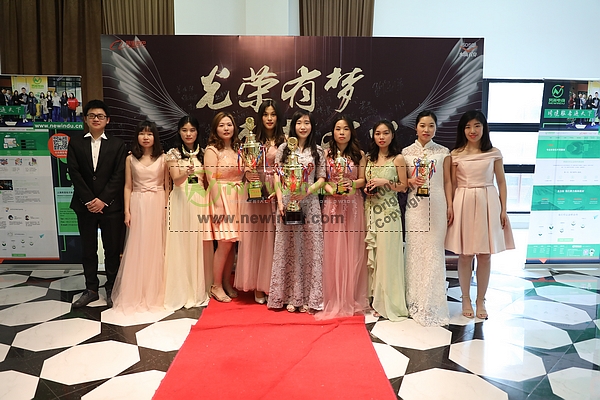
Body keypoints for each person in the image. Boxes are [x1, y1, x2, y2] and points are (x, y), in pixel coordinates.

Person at [445, 110, 515, 319]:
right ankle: (466, 298)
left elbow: (501, 182)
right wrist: (450, 206)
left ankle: (481, 300)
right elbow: (452, 184)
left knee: (485, 254)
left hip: (488, 201)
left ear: (484, 128)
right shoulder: (455, 154)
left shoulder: (494, 152)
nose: (472, 130)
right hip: (463, 201)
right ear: (462, 130)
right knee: (465, 254)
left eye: (477, 125)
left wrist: (503, 209)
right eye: (468, 126)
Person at [67, 99, 126, 308]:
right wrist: (89, 200)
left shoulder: (118, 145)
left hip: (110, 207)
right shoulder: (75, 143)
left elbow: (119, 175)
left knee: (112, 250)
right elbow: (74, 173)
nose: (96, 119)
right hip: (84, 206)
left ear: (107, 120)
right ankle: (91, 288)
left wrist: (103, 200)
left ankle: (112, 288)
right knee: (88, 249)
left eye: (100, 116)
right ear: (85, 119)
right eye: (92, 116)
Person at [267, 110, 326, 313]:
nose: (303, 126)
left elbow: (321, 178)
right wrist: (280, 202)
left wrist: (307, 191)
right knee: (288, 247)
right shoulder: (283, 149)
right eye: (299, 122)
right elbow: (277, 175)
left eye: (307, 122)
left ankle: (309, 297)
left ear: (312, 126)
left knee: (310, 248)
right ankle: (289, 296)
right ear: (293, 126)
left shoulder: (318, 150)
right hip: (287, 201)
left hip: (309, 203)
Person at [111, 121, 168, 314]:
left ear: (155, 137)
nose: (145, 137)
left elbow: (167, 185)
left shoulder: (163, 158)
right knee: (138, 246)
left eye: (149, 134)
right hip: (138, 203)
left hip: (158, 201)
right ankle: (137, 291)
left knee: (157, 246)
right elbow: (128, 186)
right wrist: (127, 211)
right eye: (142, 133)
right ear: (137, 136)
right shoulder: (130, 159)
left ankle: (157, 290)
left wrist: (166, 208)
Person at [315, 115, 368, 320]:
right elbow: (322, 180)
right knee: (333, 249)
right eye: (338, 129)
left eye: (345, 129)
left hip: (353, 203)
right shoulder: (325, 154)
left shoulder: (359, 155)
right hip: (332, 203)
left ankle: (350, 295)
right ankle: (332, 295)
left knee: (352, 250)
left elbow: (363, 180)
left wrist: (351, 184)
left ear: (351, 132)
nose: (342, 132)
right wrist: (332, 190)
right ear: (333, 132)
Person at [402, 110, 450, 326]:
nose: (426, 130)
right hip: (415, 208)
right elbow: (402, 183)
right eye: (422, 125)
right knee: (415, 252)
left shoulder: (443, 152)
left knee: (433, 252)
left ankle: (432, 301)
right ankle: (414, 300)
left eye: (431, 126)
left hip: (437, 206)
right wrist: (410, 182)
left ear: (436, 128)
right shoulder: (406, 153)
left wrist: (450, 206)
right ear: (416, 128)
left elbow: (448, 181)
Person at [235, 100, 285, 304]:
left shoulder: (284, 140)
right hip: (255, 189)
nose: (269, 118)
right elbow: (242, 166)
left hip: (277, 189)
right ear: (260, 117)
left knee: (274, 238)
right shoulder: (252, 140)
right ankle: (257, 284)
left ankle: (273, 284)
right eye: (265, 114)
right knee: (256, 237)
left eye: (273, 114)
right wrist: (247, 172)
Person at [163, 115, 214, 310]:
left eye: (192, 130)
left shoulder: (204, 153)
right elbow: (176, 180)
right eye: (184, 130)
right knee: (182, 245)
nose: (188, 134)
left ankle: (201, 287)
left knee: (200, 244)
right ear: (179, 132)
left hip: (200, 201)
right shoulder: (173, 154)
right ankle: (182, 289)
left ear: (197, 132)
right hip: (180, 201)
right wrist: (186, 172)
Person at [363, 120, 408, 321]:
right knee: (373, 255)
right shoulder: (368, 158)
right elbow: (365, 182)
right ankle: (373, 298)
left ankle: (387, 302)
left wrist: (386, 182)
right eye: (378, 133)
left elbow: (404, 186)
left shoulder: (398, 158)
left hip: (389, 212)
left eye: (386, 133)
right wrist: (367, 189)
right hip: (370, 209)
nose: (381, 137)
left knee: (387, 256)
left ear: (392, 135)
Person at [204, 112, 244, 302]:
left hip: (238, 197)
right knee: (224, 243)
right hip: (221, 197)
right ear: (215, 128)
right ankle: (216, 285)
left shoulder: (238, 149)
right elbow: (210, 179)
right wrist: (218, 205)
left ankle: (227, 282)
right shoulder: (212, 150)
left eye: (229, 124)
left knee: (232, 243)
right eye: (221, 125)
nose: (226, 128)